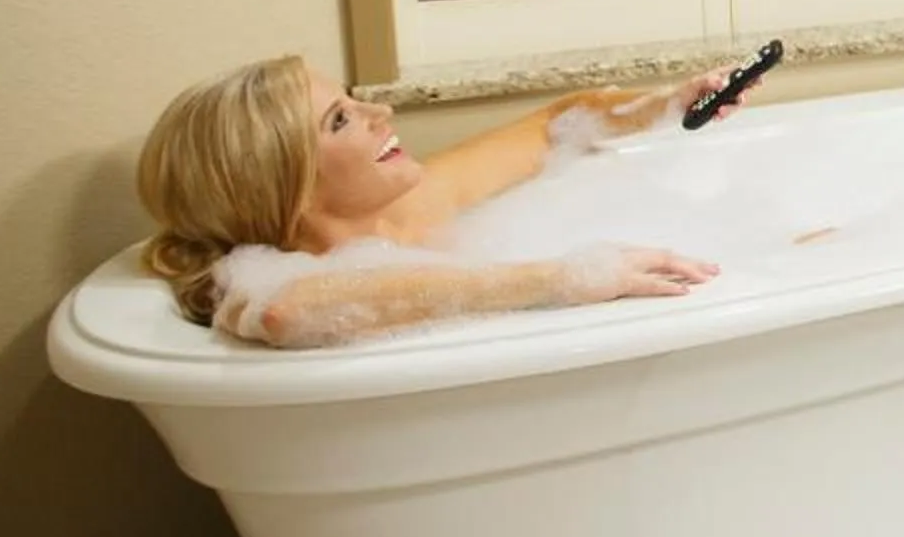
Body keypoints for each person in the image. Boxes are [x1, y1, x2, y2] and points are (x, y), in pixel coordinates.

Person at [135, 56, 741, 347]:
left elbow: (556, 124)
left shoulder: (410, 211)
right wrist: (561, 279)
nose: (380, 112)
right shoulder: (258, 281)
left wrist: (664, 104)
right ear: (286, 186)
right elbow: (286, 313)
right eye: (341, 119)